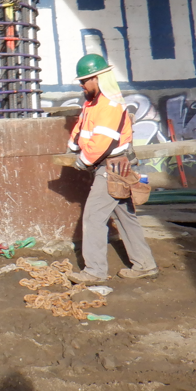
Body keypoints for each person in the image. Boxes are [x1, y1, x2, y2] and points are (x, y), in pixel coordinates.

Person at [65, 54, 159, 285]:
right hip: (115, 168)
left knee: (93, 217)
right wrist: (73, 147)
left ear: (97, 79)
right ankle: (144, 265)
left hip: (110, 167)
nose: (81, 85)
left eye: (84, 80)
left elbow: (102, 144)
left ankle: (94, 271)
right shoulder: (93, 104)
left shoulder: (108, 105)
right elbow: (81, 131)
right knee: (125, 217)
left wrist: (83, 160)